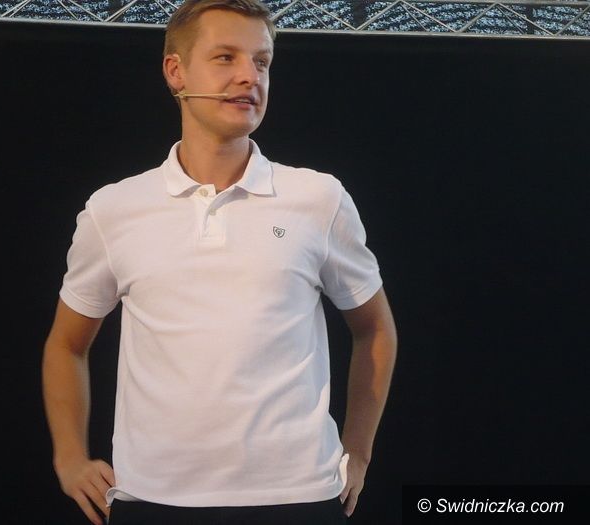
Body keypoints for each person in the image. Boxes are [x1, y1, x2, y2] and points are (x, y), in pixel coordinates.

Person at [42, 1, 397, 524]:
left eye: (262, 61)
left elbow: (375, 328)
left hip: (298, 499)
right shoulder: (113, 210)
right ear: (176, 71)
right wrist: (70, 458)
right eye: (226, 57)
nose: (249, 76)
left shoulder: (318, 199)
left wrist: (359, 453)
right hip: (153, 501)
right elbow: (66, 344)